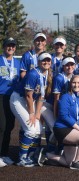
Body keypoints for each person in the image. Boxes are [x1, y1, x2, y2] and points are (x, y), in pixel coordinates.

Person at [10, 52, 54, 167]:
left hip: (30, 100)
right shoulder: (33, 74)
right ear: (38, 62)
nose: (46, 62)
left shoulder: (47, 74)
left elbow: (41, 97)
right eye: (44, 60)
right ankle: (22, 158)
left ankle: (30, 155)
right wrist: (32, 113)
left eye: (48, 60)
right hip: (18, 99)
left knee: (38, 129)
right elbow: (28, 95)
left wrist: (38, 114)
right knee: (30, 129)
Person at [39, 75, 79, 170]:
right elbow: (63, 116)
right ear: (70, 84)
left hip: (72, 130)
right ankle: (77, 162)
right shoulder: (65, 97)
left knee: (68, 162)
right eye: (74, 82)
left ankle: (44, 154)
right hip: (62, 129)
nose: (76, 85)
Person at [0, 37, 21, 167]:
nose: (11, 48)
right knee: (1, 126)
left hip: (13, 97)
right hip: (1, 96)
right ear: (4, 47)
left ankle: (4, 154)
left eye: (13, 46)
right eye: (9, 45)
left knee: (9, 126)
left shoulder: (17, 62)